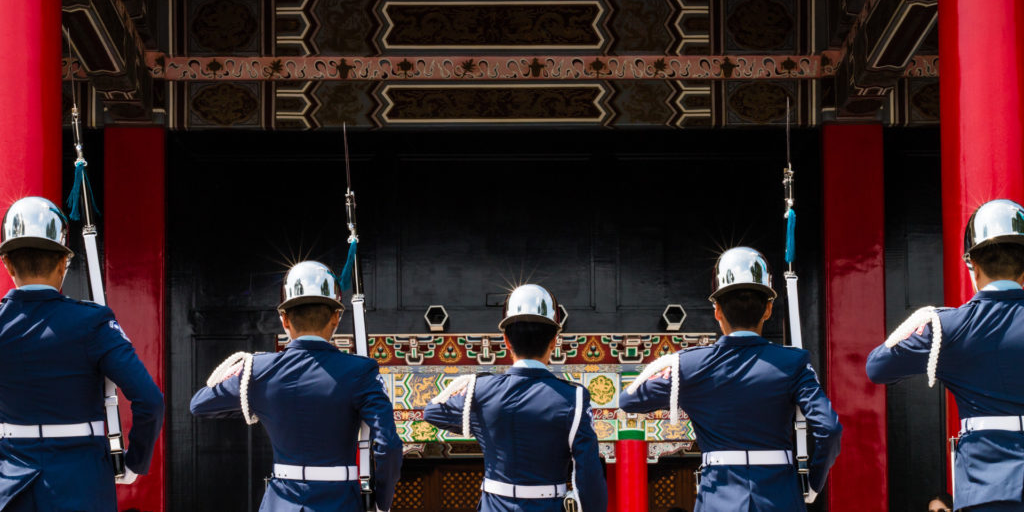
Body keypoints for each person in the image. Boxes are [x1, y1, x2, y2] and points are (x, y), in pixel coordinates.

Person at [619, 246, 842, 511]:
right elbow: (828, 429)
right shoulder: (793, 363)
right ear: (768, 309)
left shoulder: (688, 366)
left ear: (717, 311)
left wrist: (675, 373)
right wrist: (813, 483)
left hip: (718, 499)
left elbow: (629, 399)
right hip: (780, 498)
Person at [190, 260, 403, 512]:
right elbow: (388, 444)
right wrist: (382, 502)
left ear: (284, 320)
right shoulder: (360, 371)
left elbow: (199, 404)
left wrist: (255, 395)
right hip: (340, 503)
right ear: (336, 318)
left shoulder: (257, 371)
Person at [0, 196, 164, 511]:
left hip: (10, 487)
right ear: (64, 262)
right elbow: (150, 400)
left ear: (6, 262)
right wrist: (134, 462)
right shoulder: (92, 321)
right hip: (82, 486)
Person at [867, 199, 1024, 512]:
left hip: (986, 489)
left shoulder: (947, 327)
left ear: (972, 267)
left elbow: (877, 367)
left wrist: (935, 326)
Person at [424, 283, 607, 512]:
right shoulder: (574, 397)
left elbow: (432, 411)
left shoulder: (479, 390)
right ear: (554, 341)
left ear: (506, 341)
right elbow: (589, 473)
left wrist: (479, 420)